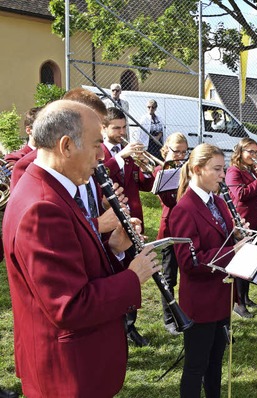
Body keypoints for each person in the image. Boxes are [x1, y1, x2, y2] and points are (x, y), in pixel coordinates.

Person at [2, 99, 159, 397]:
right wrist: (133, 277)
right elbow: (69, 306)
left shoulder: (53, 190)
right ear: (66, 146)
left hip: (74, 366)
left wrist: (113, 250)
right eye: (96, 143)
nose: (102, 155)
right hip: (66, 375)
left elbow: (76, 267)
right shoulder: (42, 207)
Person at [169, 143, 248, 398]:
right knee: (196, 366)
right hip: (200, 302)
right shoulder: (184, 209)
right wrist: (232, 251)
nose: (223, 175)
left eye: (223, 169)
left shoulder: (218, 201)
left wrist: (235, 234)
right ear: (197, 169)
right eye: (217, 169)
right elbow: (189, 263)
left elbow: (220, 238)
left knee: (215, 364)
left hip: (220, 296)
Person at [101, 107, 155, 347]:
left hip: (134, 219)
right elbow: (99, 177)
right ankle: (116, 325)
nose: (122, 132)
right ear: (104, 128)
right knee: (117, 272)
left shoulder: (129, 153)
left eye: (124, 127)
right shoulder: (101, 152)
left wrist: (146, 170)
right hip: (110, 223)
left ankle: (130, 323)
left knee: (135, 270)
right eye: (116, 128)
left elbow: (142, 184)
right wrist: (120, 157)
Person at [225, 137, 257, 318]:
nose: (254, 155)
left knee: (251, 261)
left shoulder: (250, 170)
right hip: (241, 221)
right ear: (240, 153)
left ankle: (246, 297)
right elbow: (240, 194)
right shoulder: (233, 171)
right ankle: (238, 303)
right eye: (250, 152)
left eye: (255, 152)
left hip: (255, 219)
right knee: (241, 263)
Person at [154, 132, 189, 335]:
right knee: (168, 275)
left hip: (187, 227)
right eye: (177, 151)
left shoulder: (186, 168)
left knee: (186, 273)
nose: (181, 155)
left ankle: (183, 312)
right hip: (170, 228)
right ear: (167, 149)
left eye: (185, 152)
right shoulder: (162, 169)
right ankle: (169, 318)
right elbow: (167, 201)